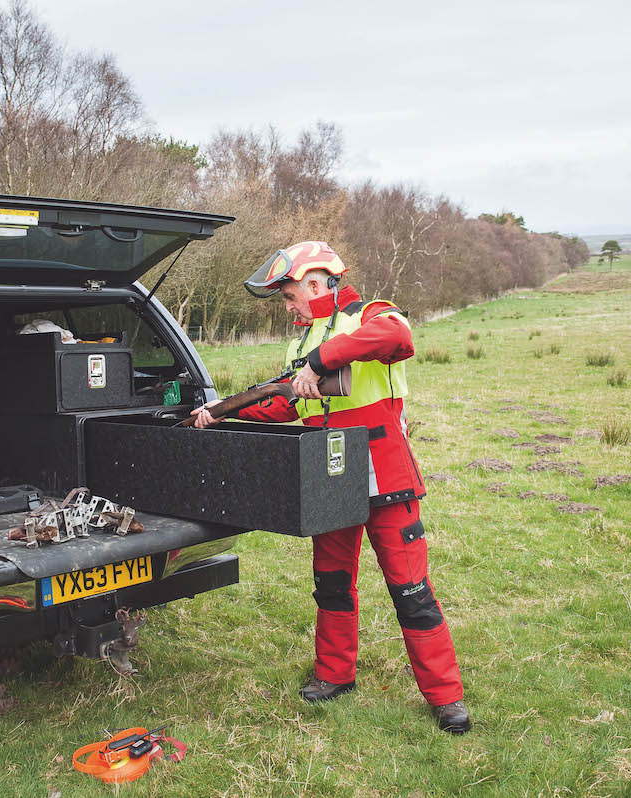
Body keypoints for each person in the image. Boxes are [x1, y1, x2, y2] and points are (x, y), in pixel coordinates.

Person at [190, 241, 470, 734]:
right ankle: (334, 675)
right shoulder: (299, 344)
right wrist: (219, 413)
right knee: (333, 583)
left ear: (317, 283)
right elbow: (284, 405)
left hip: (387, 478)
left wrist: (320, 360)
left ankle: (445, 698)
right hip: (332, 476)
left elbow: (398, 336)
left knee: (412, 590)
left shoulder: (369, 313)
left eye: (291, 294)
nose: (288, 305)